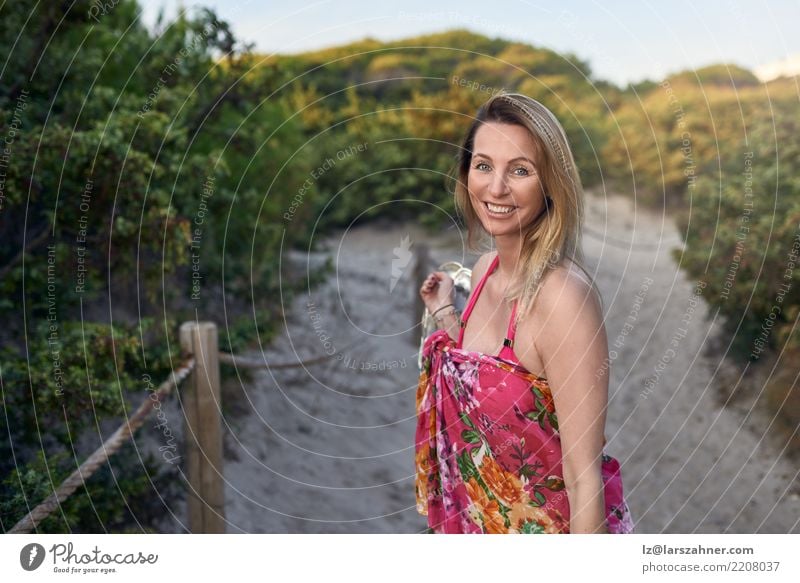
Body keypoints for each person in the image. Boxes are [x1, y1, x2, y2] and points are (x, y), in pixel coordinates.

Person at [415, 92, 634, 534]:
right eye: (483, 165)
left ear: (551, 183)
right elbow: (488, 376)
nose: (496, 188)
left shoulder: (562, 297)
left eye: (520, 170)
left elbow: (582, 478)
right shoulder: (483, 271)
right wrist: (445, 315)